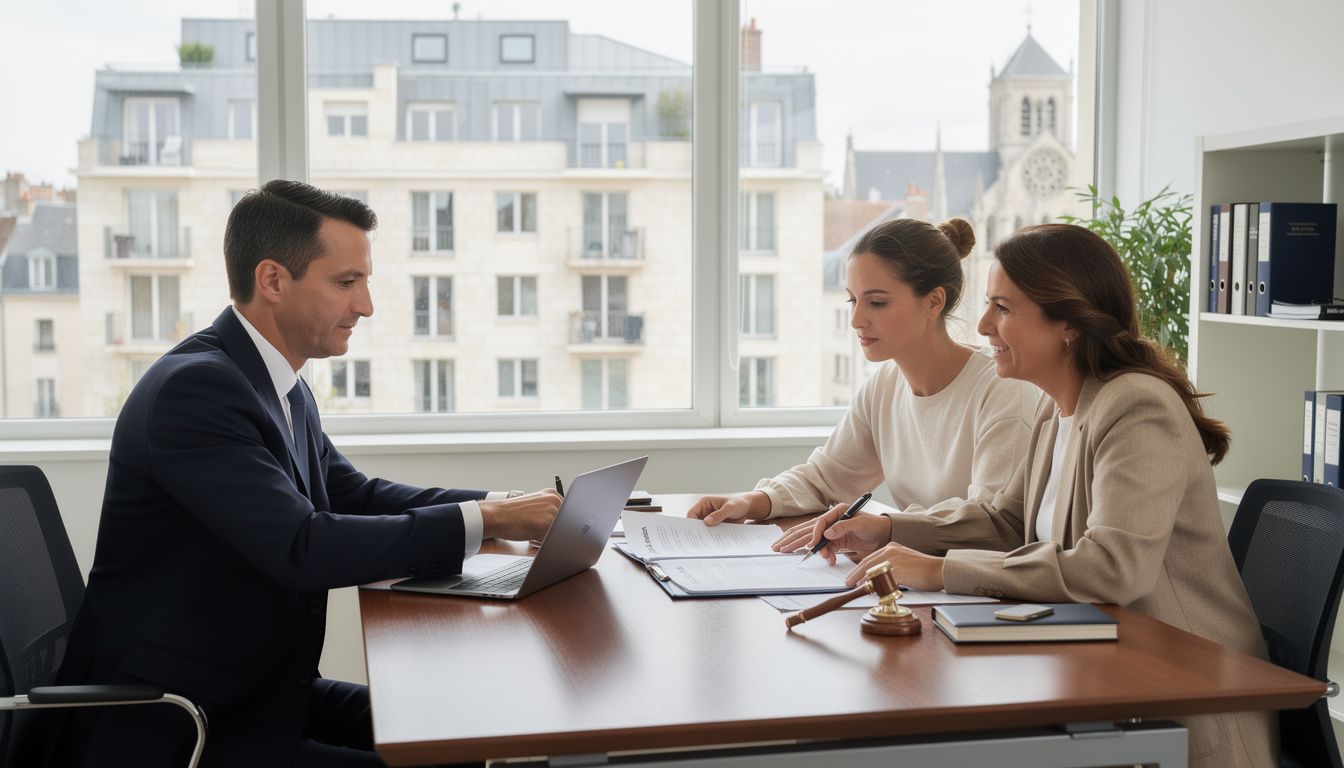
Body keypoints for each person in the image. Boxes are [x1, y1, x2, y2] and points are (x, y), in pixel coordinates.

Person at [46, 180, 561, 768]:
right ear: (272, 280)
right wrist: (487, 520)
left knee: (467, 736)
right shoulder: (197, 390)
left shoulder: (279, 385)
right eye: (347, 282)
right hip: (176, 721)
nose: (366, 306)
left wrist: (508, 506)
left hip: (256, 693)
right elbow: (303, 545)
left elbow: (353, 495)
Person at [779, 223, 1274, 767]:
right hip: (1097, 668)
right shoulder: (1056, 403)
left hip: (1178, 691)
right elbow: (1005, 520)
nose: (984, 324)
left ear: (1067, 323)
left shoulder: (1136, 407)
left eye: (1003, 309)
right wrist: (891, 530)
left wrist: (939, 571)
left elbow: (1112, 569)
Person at [688, 217, 1039, 536]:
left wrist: (884, 526)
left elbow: (991, 521)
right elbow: (826, 479)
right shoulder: (885, 386)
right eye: (852, 300)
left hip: (980, 593)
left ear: (933, 302)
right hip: (919, 577)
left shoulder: (1003, 390)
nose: (856, 319)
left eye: (877, 302)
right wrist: (750, 501)